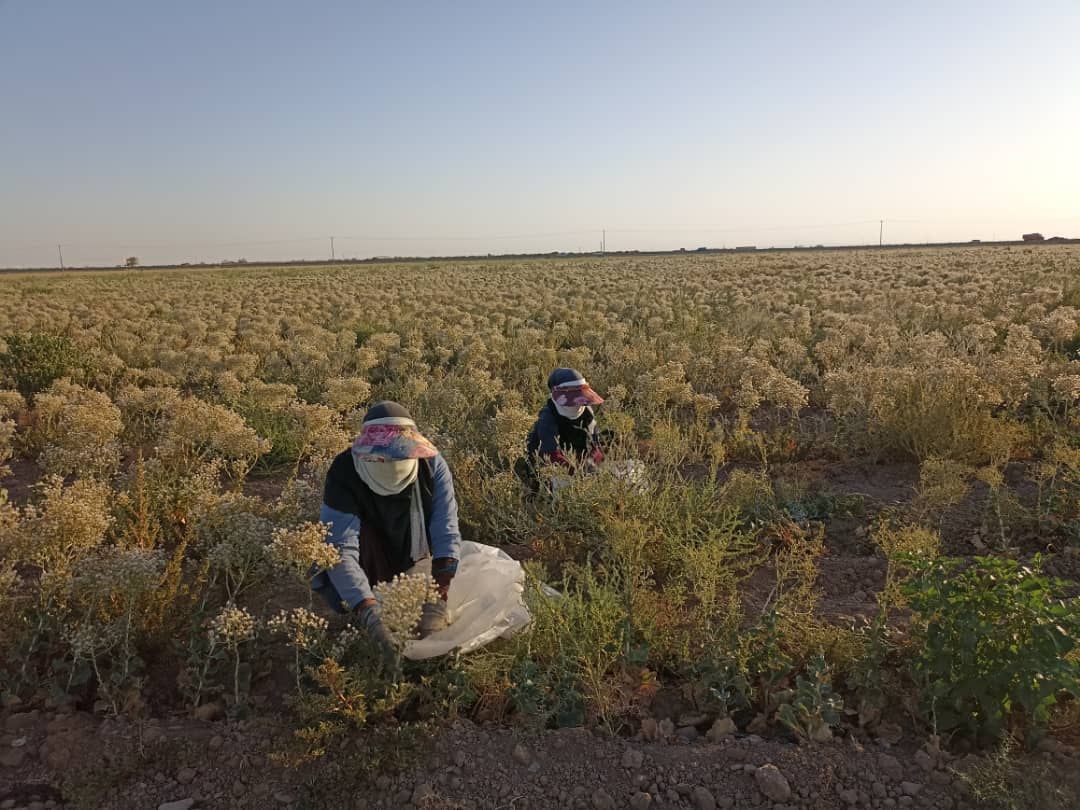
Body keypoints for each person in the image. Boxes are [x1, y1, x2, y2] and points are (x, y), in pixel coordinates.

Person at [311, 401, 461, 656]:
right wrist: (367, 609)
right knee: (352, 600)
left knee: (426, 622)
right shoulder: (344, 471)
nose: (390, 465)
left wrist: (439, 591)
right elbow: (339, 547)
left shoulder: (431, 465)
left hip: (412, 550)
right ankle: (364, 605)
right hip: (368, 552)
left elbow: (445, 526)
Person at [519, 368, 606, 492]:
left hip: (578, 462)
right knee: (563, 486)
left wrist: (596, 463)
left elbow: (595, 442)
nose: (577, 404)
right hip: (549, 467)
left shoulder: (586, 411)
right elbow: (549, 454)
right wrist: (579, 472)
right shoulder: (548, 416)